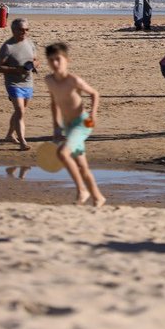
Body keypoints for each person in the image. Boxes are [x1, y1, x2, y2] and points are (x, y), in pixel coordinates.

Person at [44, 43, 106, 207]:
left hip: (83, 123)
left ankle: (82, 191)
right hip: (68, 125)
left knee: (63, 153)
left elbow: (94, 94)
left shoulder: (73, 80)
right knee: (82, 166)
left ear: (67, 60)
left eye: (58, 59)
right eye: (51, 60)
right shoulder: (49, 80)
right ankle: (98, 197)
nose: (55, 63)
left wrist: (93, 113)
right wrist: (56, 127)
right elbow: (54, 103)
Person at [0, 18, 37, 151]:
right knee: (20, 111)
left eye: (26, 29)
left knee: (21, 111)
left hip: (28, 82)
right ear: (13, 30)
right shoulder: (7, 47)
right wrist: (16, 70)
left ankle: (9, 135)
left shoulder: (29, 43)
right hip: (13, 83)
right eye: (21, 30)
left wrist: (33, 65)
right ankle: (22, 142)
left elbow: (36, 60)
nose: (24, 32)